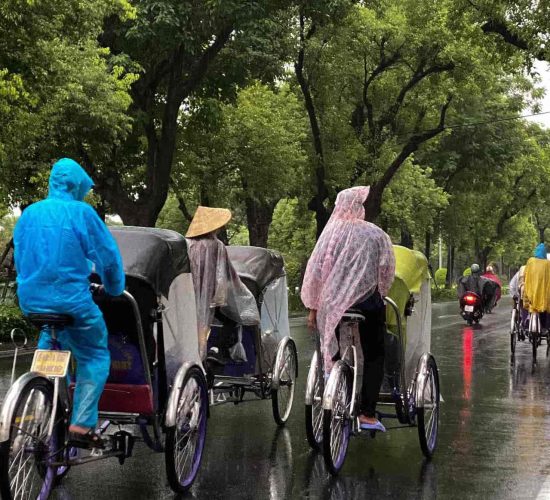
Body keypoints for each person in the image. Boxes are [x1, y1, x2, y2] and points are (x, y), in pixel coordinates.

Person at [14, 158, 125, 449]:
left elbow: (22, 259)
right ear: (76, 185)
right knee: (93, 355)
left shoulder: (28, 215)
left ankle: (40, 401)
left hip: (32, 304)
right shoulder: (82, 213)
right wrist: (114, 288)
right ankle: (82, 424)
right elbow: (109, 259)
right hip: (73, 304)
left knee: (51, 340)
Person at [301, 186, 395, 432]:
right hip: (367, 305)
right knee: (375, 353)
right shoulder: (376, 235)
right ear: (359, 207)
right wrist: (381, 293)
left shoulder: (330, 235)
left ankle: (337, 386)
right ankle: (367, 413)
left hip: (332, 306)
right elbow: (386, 272)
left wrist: (313, 308)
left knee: (334, 351)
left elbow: (316, 272)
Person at [185, 206, 260, 360]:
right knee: (231, 319)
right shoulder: (216, 245)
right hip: (210, 293)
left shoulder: (187, 244)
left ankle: (194, 356)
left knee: (192, 324)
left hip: (188, 293)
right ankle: (216, 349)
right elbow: (226, 273)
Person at [523, 243, 550, 330]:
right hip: (543, 292)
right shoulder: (547, 264)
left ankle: (527, 322)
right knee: (544, 308)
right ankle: (544, 327)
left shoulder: (530, 261)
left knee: (531, 306)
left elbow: (525, 274)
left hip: (531, 291)